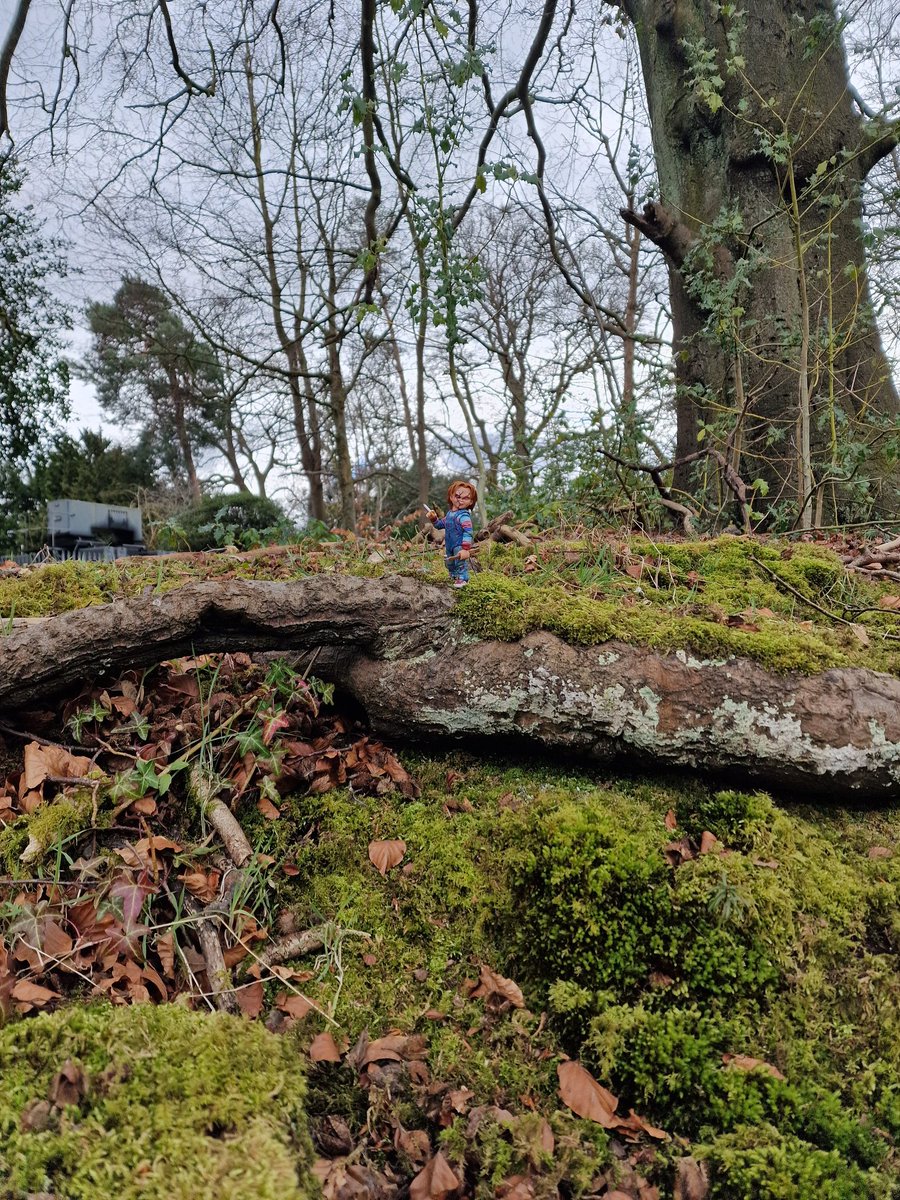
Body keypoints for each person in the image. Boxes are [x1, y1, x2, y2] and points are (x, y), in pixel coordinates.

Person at [426, 480, 477, 587]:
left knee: (460, 562)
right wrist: (434, 518)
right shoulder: (450, 514)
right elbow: (439, 525)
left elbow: (468, 532)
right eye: (458, 496)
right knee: (449, 562)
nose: (461, 500)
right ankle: (453, 576)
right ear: (451, 497)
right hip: (449, 545)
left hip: (459, 545)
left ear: (471, 502)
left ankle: (462, 578)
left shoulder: (464, 516)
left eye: (465, 498)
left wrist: (465, 548)